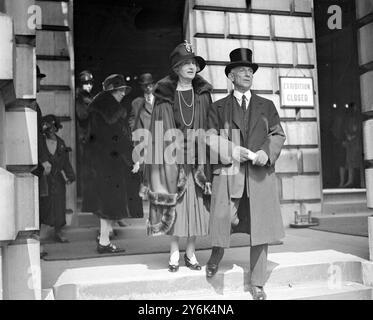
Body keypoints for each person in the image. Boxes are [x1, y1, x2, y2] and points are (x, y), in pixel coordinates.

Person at [205, 48, 286, 300]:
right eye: (242, 70)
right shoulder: (218, 107)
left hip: (260, 176)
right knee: (224, 219)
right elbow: (209, 137)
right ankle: (216, 255)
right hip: (231, 173)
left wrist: (266, 152)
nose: (247, 73)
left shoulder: (267, 105)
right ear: (230, 76)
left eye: (250, 70)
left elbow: (278, 134)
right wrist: (231, 150)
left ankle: (258, 283)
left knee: (260, 228)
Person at [146, 41, 212, 272]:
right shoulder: (164, 95)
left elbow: (210, 126)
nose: (192, 67)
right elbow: (160, 130)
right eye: (186, 63)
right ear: (176, 68)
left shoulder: (203, 94)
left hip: (198, 161)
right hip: (173, 159)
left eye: (194, 63)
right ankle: (174, 252)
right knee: (176, 209)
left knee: (196, 210)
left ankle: (191, 253)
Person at [88, 74, 133, 254]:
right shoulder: (113, 111)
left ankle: (104, 239)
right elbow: (120, 138)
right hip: (110, 161)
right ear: (112, 91)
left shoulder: (95, 108)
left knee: (104, 202)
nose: (123, 93)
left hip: (101, 160)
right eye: (120, 90)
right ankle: (104, 241)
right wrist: (131, 159)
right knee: (108, 202)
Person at [39, 115, 76, 243]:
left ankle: (58, 231)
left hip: (58, 179)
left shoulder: (61, 143)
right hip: (46, 180)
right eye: (48, 129)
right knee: (46, 205)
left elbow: (66, 162)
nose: (50, 131)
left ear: (56, 128)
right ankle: (42, 232)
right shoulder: (41, 143)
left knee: (60, 205)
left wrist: (70, 176)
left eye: (53, 128)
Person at [130, 73, 155, 200]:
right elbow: (132, 119)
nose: (148, 88)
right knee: (143, 166)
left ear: (154, 85)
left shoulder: (161, 101)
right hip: (143, 138)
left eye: (150, 85)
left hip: (159, 139)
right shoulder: (137, 103)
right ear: (142, 87)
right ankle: (145, 189)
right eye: (145, 86)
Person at [75, 70, 97, 211]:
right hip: (84, 139)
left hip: (90, 138)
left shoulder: (88, 97)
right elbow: (82, 115)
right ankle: (87, 203)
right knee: (87, 172)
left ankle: (90, 202)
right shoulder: (80, 98)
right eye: (86, 83)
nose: (88, 86)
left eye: (90, 83)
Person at [342, 102, 362, 187]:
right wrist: (348, 136)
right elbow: (345, 128)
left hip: (357, 143)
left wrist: (352, 136)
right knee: (350, 161)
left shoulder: (357, 118)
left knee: (360, 162)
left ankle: (362, 182)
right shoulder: (348, 118)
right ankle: (350, 180)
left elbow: (359, 130)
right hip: (351, 143)